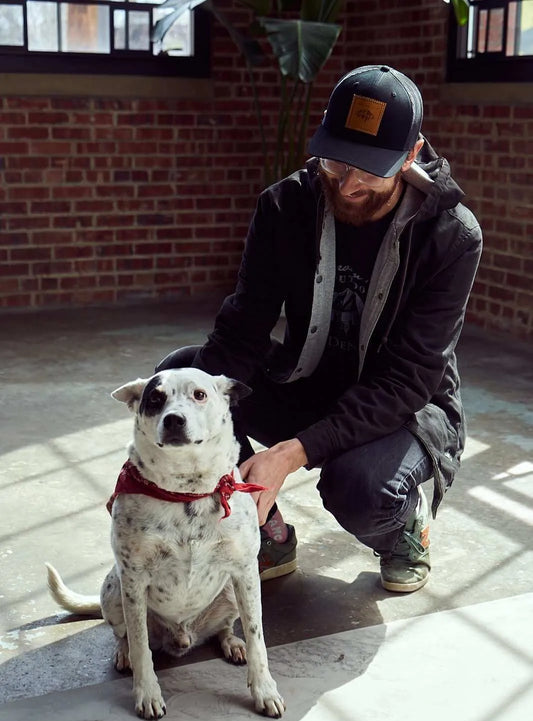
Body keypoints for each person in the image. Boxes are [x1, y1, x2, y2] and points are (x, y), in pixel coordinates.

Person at [157, 64, 482, 592]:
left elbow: (407, 378)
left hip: (406, 409)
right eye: (337, 161)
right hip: (310, 383)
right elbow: (242, 332)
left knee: (357, 487)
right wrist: (199, 405)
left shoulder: (451, 236)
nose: (350, 184)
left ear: (413, 153)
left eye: (371, 169)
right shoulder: (284, 206)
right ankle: (267, 529)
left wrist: (291, 452)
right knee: (182, 379)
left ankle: (404, 528)